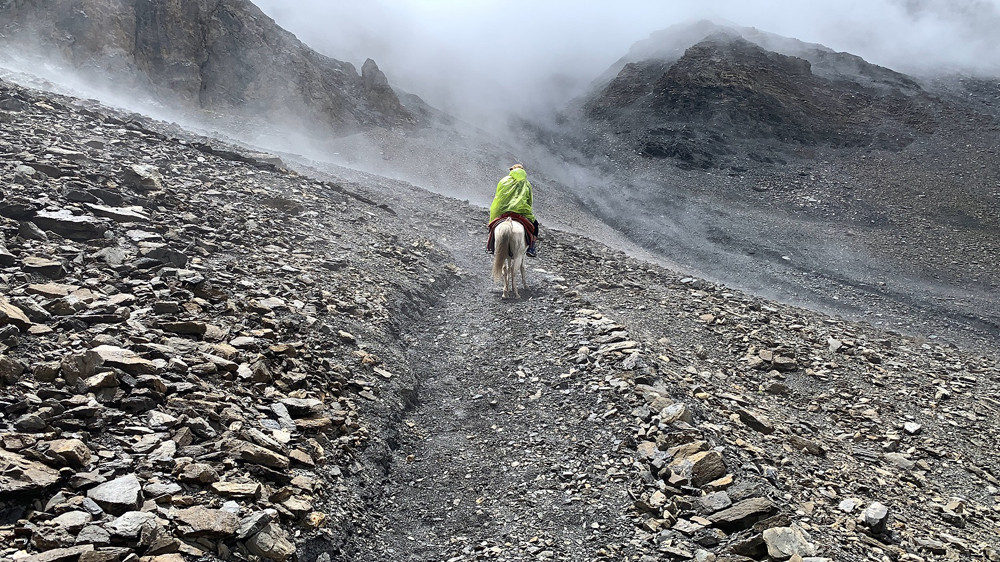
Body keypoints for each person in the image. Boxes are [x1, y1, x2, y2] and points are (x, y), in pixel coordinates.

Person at [489, 163, 539, 257]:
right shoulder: (526, 183)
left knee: (492, 226)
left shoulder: (504, 181)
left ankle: (490, 246)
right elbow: (529, 200)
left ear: (511, 170)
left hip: (502, 210)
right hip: (520, 211)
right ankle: (531, 248)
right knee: (535, 226)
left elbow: (498, 196)